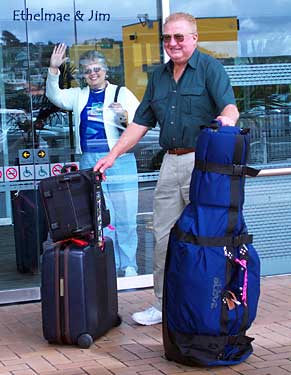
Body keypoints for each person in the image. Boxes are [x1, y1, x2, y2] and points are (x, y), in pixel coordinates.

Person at [94, 12, 240, 325]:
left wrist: (228, 120)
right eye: (167, 38)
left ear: (194, 39)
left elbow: (230, 105)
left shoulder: (209, 68)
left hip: (203, 164)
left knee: (208, 237)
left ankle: (216, 301)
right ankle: (163, 306)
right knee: (164, 238)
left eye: (179, 37)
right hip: (170, 163)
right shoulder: (158, 77)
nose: (172, 43)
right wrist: (113, 155)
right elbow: (140, 123)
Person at [46, 44, 140, 277]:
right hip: (91, 161)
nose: (93, 73)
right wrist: (53, 69)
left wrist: (122, 116)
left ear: (106, 71)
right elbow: (55, 96)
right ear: (83, 75)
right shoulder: (79, 95)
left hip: (120, 159)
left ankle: (128, 265)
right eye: (88, 71)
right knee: (101, 216)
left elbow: (138, 127)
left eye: (97, 69)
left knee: (126, 215)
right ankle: (108, 263)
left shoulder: (122, 93)